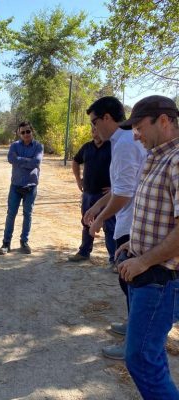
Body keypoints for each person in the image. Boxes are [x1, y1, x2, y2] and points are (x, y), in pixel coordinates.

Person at [116, 95, 179, 399]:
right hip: (147, 274)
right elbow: (160, 215)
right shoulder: (157, 156)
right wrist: (134, 243)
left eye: (139, 127)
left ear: (163, 121)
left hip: (161, 279)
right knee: (150, 355)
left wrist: (142, 261)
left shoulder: (177, 160)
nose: (135, 134)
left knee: (140, 357)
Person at [83, 96, 147, 360]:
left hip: (132, 224)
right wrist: (97, 206)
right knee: (130, 285)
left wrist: (99, 219)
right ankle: (133, 327)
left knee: (133, 284)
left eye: (95, 121)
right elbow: (120, 188)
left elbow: (123, 194)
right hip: (131, 222)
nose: (93, 128)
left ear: (108, 118)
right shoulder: (125, 142)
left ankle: (134, 344)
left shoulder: (124, 145)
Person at [68, 125, 116, 265]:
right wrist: (78, 180)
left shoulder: (112, 147)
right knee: (86, 222)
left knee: (110, 226)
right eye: (93, 130)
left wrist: (114, 187)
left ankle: (114, 260)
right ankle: (84, 252)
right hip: (88, 194)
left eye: (98, 129)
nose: (96, 133)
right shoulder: (86, 147)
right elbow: (76, 161)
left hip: (105, 196)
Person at [0, 121, 44, 255]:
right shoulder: (14, 146)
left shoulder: (38, 146)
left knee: (28, 214)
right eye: (22, 132)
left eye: (28, 131)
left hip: (31, 186)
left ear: (32, 131)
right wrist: (28, 161)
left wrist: (20, 160)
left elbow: (37, 162)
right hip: (16, 186)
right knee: (11, 214)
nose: (25, 134)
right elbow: (11, 159)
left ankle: (24, 242)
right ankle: (6, 243)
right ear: (19, 133)